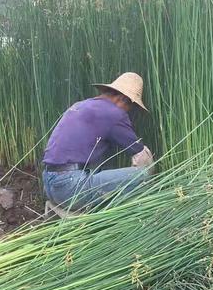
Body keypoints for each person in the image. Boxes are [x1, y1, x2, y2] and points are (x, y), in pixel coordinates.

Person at [41, 72, 154, 210]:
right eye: (130, 107)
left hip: (49, 184)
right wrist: (153, 176)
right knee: (142, 175)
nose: (129, 112)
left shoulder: (81, 105)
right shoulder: (114, 113)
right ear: (122, 99)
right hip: (71, 189)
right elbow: (141, 157)